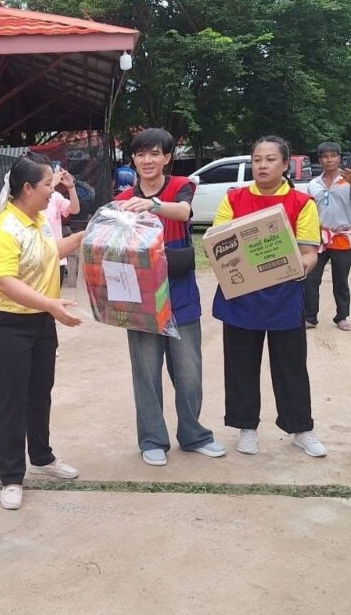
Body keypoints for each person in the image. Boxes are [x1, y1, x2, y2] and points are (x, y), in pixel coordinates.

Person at [212, 136, 327, 458]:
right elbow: (217, 243)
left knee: (291, 366)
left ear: (285, 164)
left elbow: (309, 253)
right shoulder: (233, 198)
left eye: (270, 159)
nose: (262, 165)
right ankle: (246, 428)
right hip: (241, 298)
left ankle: (301, 428)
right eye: (257, 159)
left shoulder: (302, 203)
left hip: (284, 297)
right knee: (240, 366)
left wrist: (300, 266)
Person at [0, 152, 86, 511]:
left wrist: (84, 236)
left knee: (40, 392)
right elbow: (6, 282)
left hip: (41, 321)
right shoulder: (4, 228)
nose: (51, 191)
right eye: (47, 185)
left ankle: (42, 457)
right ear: (27, 188)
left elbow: (49, 251)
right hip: (8, 324)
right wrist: (51, 305)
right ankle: (11, 477)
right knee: (12, 400)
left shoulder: (39, 218)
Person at [115, 128, 224, 466]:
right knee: (146, 373)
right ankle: (152, 439)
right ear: (133, 159)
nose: (147, 160)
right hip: (141, 296)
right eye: (140, 154)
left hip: (180, 292)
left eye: (154, 154)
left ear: (167, 158)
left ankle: (193, 435)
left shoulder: (181, 186)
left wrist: (152, 205)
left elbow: (184, 212)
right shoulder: (122, 200)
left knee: (189, 371)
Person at [304, 141, 351, 331]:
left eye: (333, 156)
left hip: (341, 236)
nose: (329, 160)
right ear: (319, 160)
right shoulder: (313, 184)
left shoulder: (349, 179)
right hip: (318, 237)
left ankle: (342, 317)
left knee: (341, 280)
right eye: (325, 156)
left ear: (339, 158)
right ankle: (309, 317)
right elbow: (308, 210)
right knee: (311, 279)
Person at [46, 166, 81, 284]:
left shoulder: (55, 196)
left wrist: (71, 187)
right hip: (40, 258)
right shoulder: (31, 200)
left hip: (58, 257)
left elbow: (74, 209)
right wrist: (52, 184)